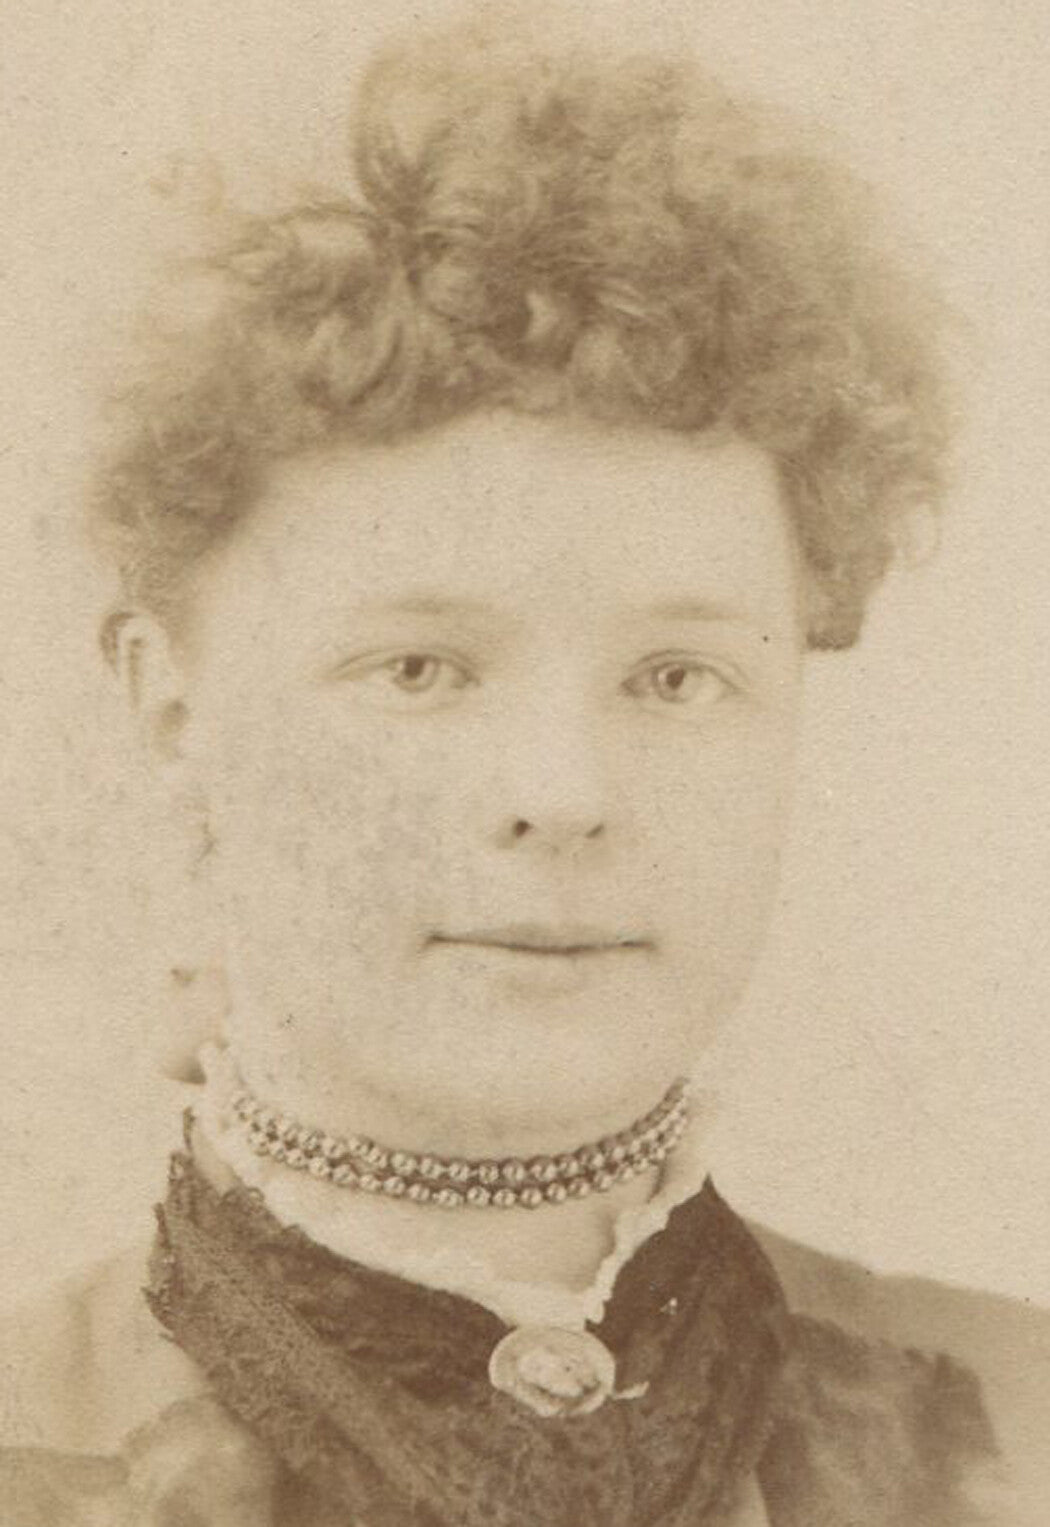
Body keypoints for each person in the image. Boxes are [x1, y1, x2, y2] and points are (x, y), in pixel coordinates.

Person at [1, 9, 1047, 1524]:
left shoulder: (1014, 1429)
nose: (563, 791)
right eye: (420, 670)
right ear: (173, 706)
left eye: (676, 676)